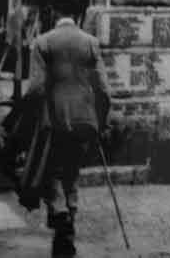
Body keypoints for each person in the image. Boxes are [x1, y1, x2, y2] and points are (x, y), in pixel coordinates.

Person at [26, 13, 110, 257]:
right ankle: (68, 228)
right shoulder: (90, 43)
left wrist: (33, 117)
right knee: (72, 173)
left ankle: (61, 212)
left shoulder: (43, 43)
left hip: (54, 121)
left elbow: (36, 88)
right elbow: (103, 90)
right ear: (78, 15)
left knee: (53, 173)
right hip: (84, 121)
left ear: (53, 13)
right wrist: (100, 123)